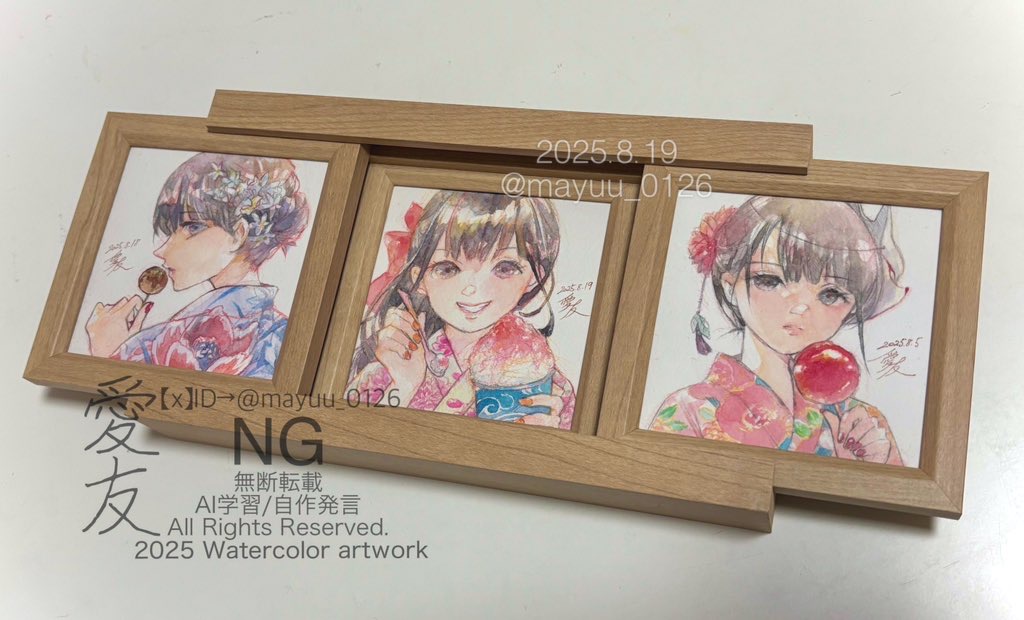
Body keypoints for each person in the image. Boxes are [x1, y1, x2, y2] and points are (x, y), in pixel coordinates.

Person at [649, 196, 906, 465]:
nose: (800, 307)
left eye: (831, 294)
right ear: (729, 286)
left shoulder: (863, 427)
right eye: (770, 280)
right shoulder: (689, 410)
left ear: (852, 306)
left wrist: (861, 468)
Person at [347, 190, 576, 429]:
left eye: (505, 268)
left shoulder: (551, 390)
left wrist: (542, 442)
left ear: (534, 277)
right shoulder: (387, 372)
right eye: (448, 268)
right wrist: (403, 386)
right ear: (419, 278)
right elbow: (346, 438)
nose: (472, 289)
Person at [84, 152, 310, 379]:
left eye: (192, 227)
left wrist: (110, 352)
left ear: (238, 234)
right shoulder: (281, 332)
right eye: (172, 230)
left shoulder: (199, 337)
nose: (161, 250)